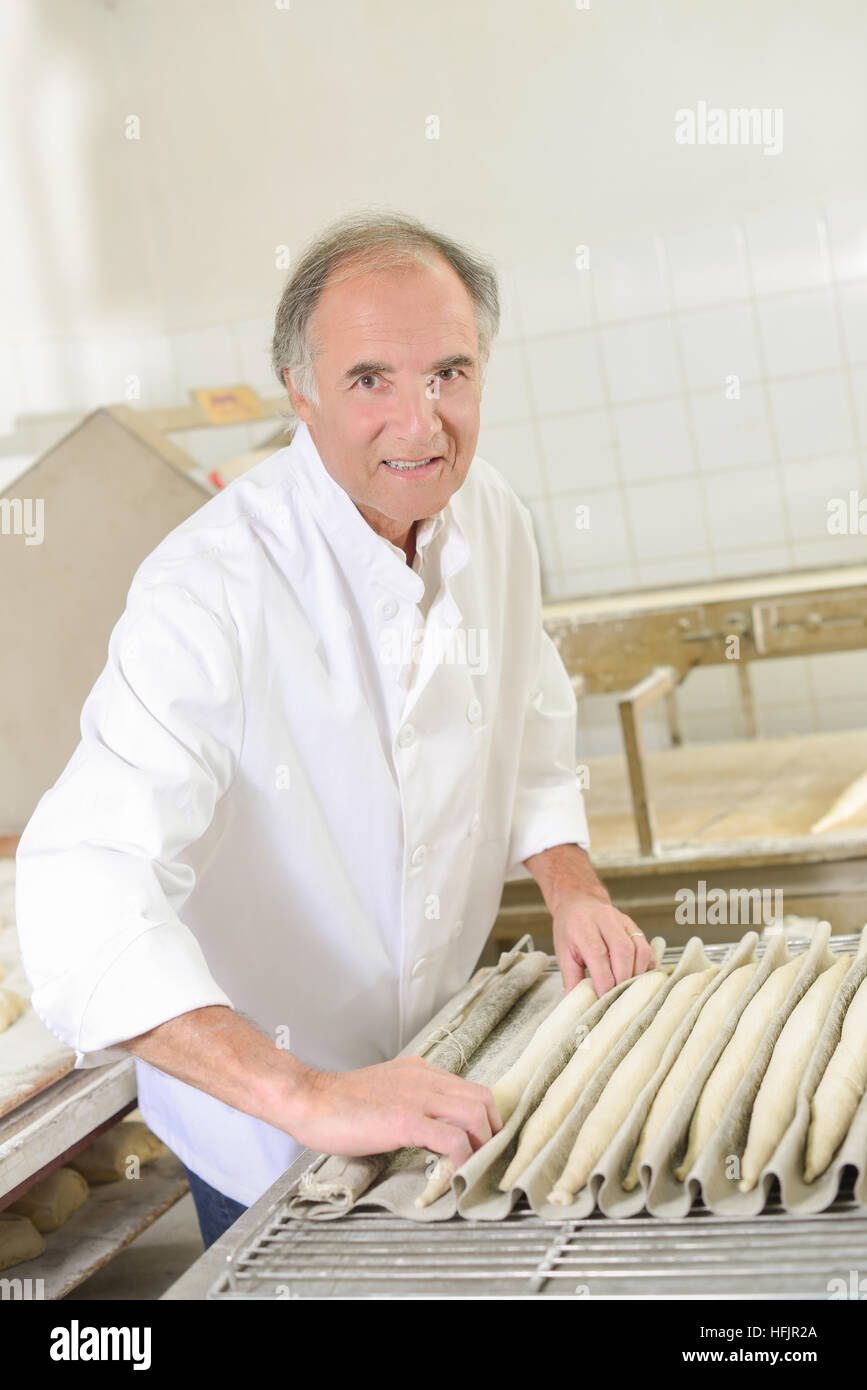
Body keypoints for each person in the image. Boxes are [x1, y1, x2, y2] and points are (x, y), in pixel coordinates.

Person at [15, 211, 654, 1248]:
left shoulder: (490, 516)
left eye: (451, 372)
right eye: (372, 381)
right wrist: (309, 1094)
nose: (423, 422)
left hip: (448, 1067)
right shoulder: (212, 586)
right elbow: (80, 888)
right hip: (272, 1126)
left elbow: (529, 708)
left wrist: (568, 880)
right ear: (299, 390)